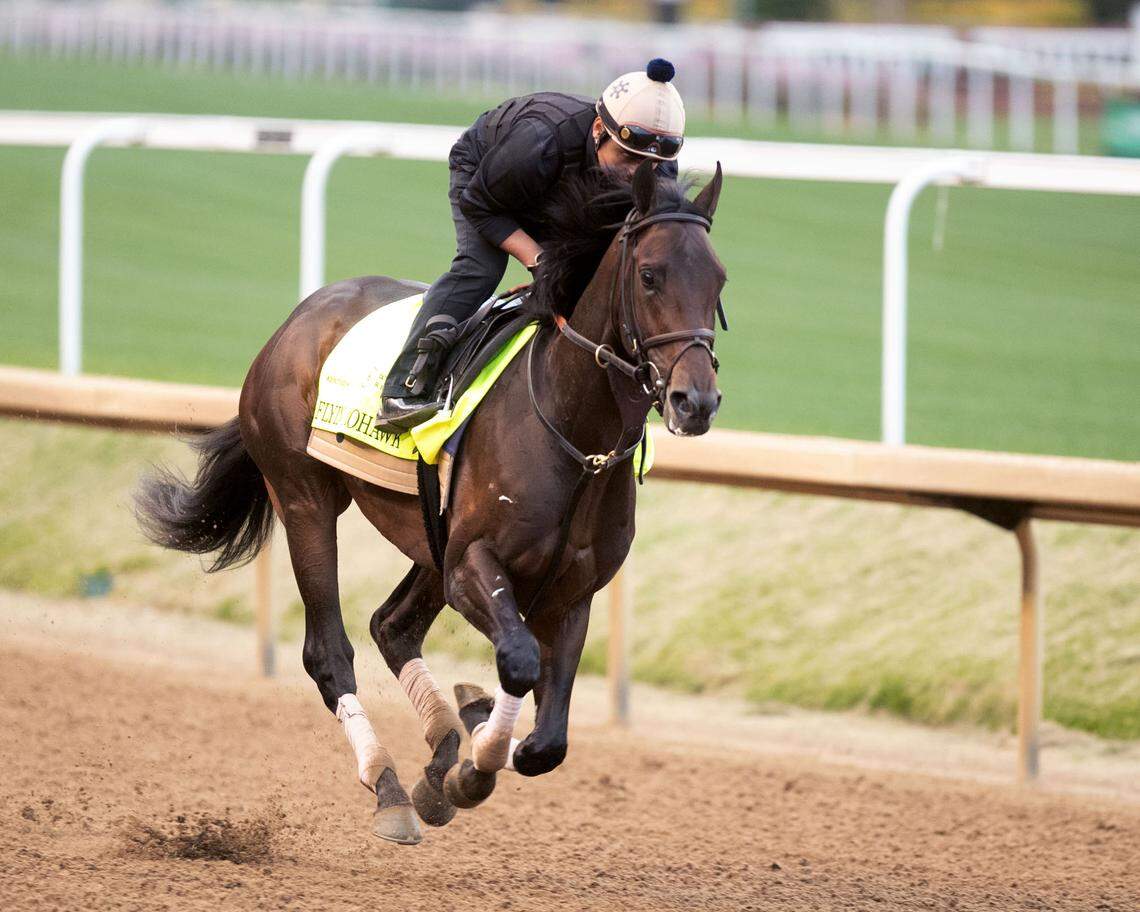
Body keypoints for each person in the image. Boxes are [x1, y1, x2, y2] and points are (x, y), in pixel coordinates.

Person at [375, 57, 686, 432]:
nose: (637, 173)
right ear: (600, 129)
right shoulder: (541, 139)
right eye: (627, 157)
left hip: (563, 188)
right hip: (488, 180)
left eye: (649, 163)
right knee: (480, 269)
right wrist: (539, 260)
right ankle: (404, 387)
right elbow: (480, 204)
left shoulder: (657, 167)